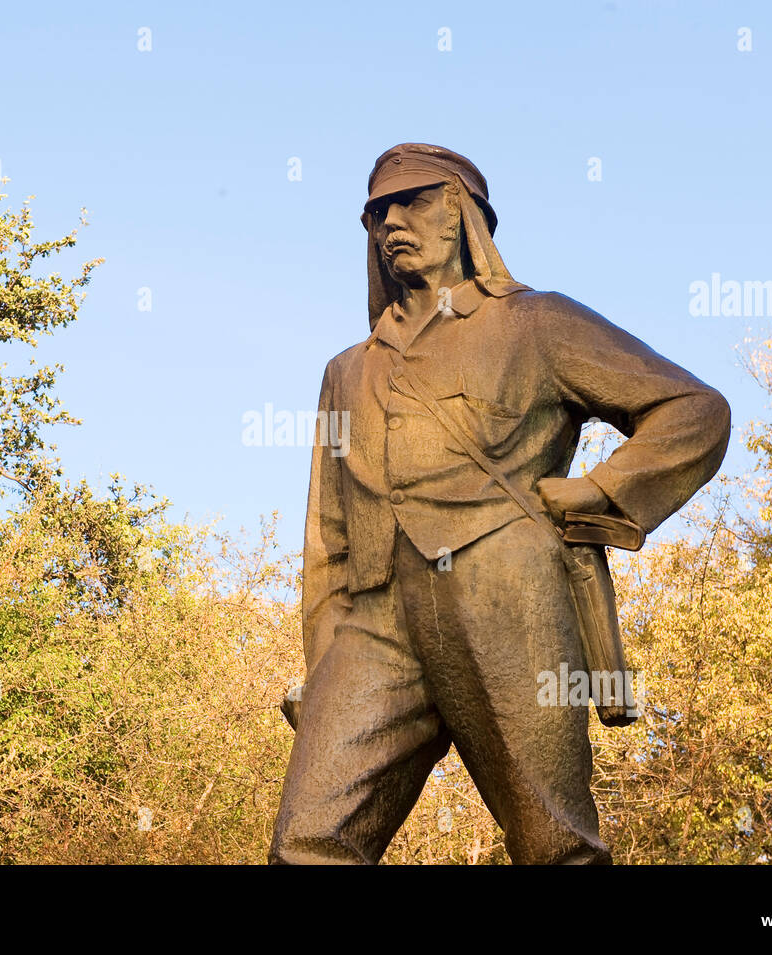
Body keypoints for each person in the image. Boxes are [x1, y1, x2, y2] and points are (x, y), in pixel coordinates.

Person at [269, 143, 731, 865]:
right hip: (377, 621)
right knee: (308, 840)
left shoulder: (538, 324)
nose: (392, 220)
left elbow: (693, 409)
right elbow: (327, 539)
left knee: (554, 842)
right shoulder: (346, 373)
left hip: (508, 596)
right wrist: (324, 668)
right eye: (377, 211)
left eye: (413, 201)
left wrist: (600, 492)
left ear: (462, 213)